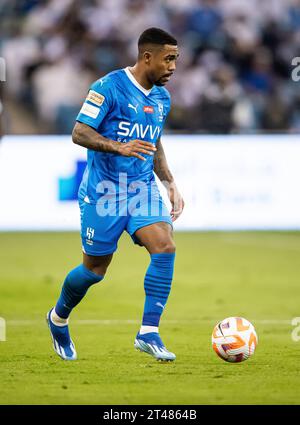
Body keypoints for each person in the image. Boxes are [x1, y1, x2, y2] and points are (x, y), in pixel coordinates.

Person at [47, 27, 184, 362]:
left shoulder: (162, 98)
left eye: (176, 60)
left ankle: (148, 332)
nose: (173, 67)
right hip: (104, 193)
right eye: (168, 59)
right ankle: (58, 317)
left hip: (141, 189)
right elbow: (79, 132)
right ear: (146, 57)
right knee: (94, 271)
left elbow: (154, 143)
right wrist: (118, 146)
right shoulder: (108, 88)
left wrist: (169, 183)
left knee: (164, 246)